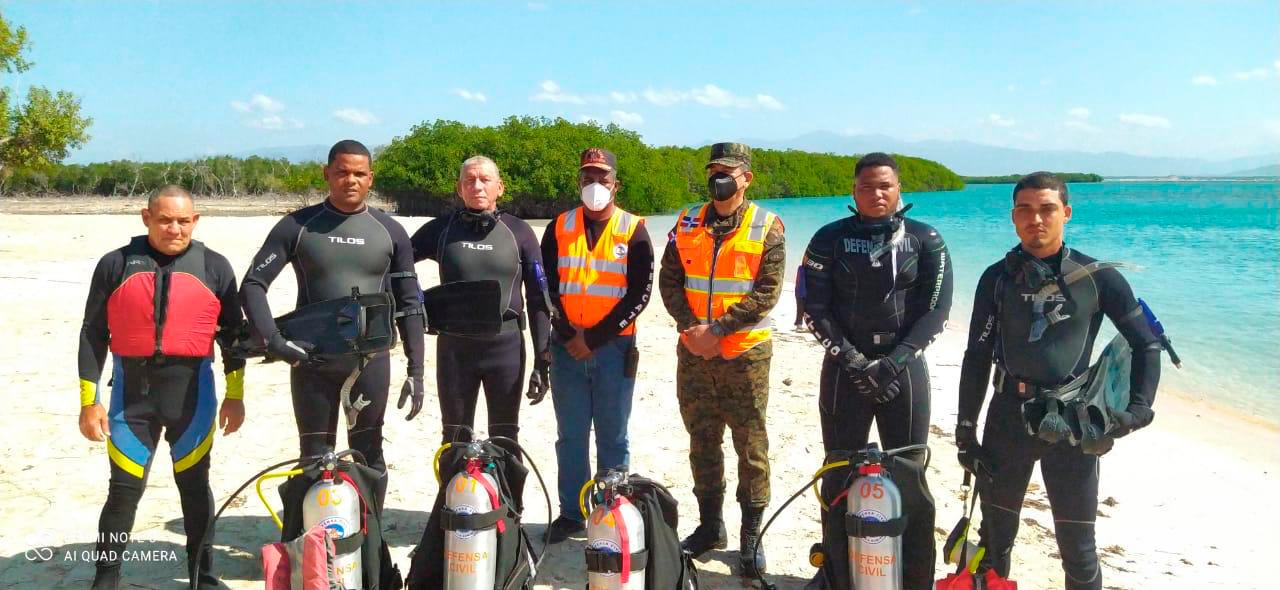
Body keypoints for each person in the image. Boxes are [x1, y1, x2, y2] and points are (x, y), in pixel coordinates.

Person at [956, 172, 1161, 590]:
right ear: (1013, 217)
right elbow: (976, 356)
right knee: (993, 542)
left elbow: (1147, 344)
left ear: (1065, 213)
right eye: (1025, 210)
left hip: (1072, 423)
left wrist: (1138, 411)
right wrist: (964, 429)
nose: (1037, 219)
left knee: (1078, 548)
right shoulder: (996, 279)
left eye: (1047, 209)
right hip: (1007, 419)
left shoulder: (1098, 277)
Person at [78, 186, 246, 590]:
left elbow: (235, 338)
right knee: (122, 491)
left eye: (183, 220)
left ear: (196, 221)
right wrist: (90, 401)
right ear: (146, 217)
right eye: (165, 219)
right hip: (131, 397)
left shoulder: (215, 267)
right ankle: (105, 579)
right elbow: (92, 334)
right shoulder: (115, 265)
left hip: (194, 396)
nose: (175, 228)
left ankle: (201, 577)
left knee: (194, 487)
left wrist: (235, 395)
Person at [240, 140, 425, 499]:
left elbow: (410, 303)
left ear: (371, 178)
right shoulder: (297, 226)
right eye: (341, 172)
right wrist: (275, 341)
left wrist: (416, 370)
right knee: (313, 459)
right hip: (312, 360)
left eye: (359, 173)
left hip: (370, 361)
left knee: (368, 455)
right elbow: (252, 285)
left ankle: (369, 551)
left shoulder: (390, 231)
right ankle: (311, 547)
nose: (350, 180)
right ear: (327, 174)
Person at [802, 152, 952, 588]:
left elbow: (937, 311)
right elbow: (815, 308)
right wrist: (852, 360)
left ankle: (915, 576)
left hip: (902, 372)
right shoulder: (828, 239)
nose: (876, 194)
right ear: (853, 190)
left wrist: (894, 362)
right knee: (837, 476)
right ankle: (834, 571)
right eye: (866, 186)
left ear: (899, 188)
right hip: (843, 371)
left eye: (884, 185)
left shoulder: (927, 240)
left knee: (911, 480)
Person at [658, 142, 785, 576]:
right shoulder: (687, 220)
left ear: (746, 177)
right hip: (694, 354)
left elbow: (767, 292)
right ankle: (711, 526)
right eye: (714, 170)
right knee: (702, 440)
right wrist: (692, 329)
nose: (720, 178)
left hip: (744, 355)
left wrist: (718, 331)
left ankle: (751, 537)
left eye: (728, 171)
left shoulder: (767, 225)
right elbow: (669, 279)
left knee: (750, 445)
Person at [539, 148, 654, 543]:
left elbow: (640, 293)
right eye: (587, 177)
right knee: (570, 434)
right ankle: (571, 512)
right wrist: (570, 335)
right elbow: (546, 287)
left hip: (614, 348)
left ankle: (611, 509)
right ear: (578, 182)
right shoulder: (558, 227)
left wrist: (596, 338)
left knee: (613, 434)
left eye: (602, 178)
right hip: (567, 347)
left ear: (615, 184)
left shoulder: (634, 229)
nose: (594, 185)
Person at [409, 155, 551, 445]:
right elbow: (396, 267)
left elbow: (538, 298)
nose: (477, 186)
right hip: (455, 349)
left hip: (506, 347)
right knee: (455, 436)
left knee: (505, 437)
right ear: (459, 189)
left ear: (500, 187)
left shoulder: (520, 233)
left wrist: (542, 360)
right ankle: (450, 491)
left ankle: (509, 492)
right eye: (469, 181)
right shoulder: (442, 230)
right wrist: (422, 303)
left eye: (485, 180)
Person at [793, 264, 808, 331]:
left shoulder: (805, 269)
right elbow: (800, 280)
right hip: (800, 292)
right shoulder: (801, 268)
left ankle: (799, 324)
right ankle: (799, 325)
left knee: (805, 310)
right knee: (800, 309)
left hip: (805, 293)